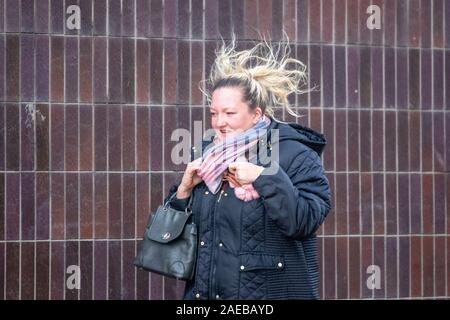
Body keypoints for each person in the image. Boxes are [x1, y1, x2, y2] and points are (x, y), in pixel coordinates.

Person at [166, 37, 331, 300]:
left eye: (229, 113)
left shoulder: (296, 154)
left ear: (256, 114)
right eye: (213, 113)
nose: (219, 122)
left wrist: (264, 177)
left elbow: (304, 221)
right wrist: (184, 190)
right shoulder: (208, 155)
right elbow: (179, 236)